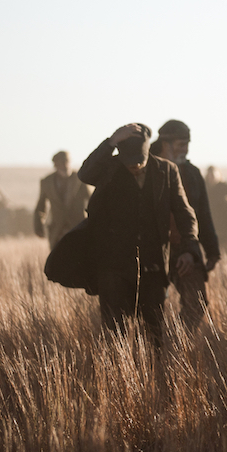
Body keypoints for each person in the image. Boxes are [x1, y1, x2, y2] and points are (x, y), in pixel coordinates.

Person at [78, 123, 202, 341]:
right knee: (115, 336)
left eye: (140, 162)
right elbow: (85, 174)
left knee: (153, 334)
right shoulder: (110, 168)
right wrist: (110, 141)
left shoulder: (167, 171)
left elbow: (185, 213)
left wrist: (189, 249)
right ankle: (119, 374)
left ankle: (151, 373)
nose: (134, 167)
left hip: (153, 268)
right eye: (129, 163)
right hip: (113, 268)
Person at [151, 119, 219, 332]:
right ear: (165, 143)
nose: (185, 149)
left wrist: (211, 250)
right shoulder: (144, 168)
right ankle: (153, 353)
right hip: (151, 251)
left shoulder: (192, 173)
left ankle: (175, 345)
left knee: (196, 305)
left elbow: (203, 214)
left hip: (186, 250)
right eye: (181, 144)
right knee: (150, 311)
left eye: (187, 144)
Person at [34, 151, 91, 249]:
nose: (65, 166)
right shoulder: (47, 182)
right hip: (57, 232)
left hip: (78, 229)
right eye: (61, 164)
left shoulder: (81, 178)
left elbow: (92, 200)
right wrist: (38, 226)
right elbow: (41, 206)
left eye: (66, 162)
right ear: (55, 166)